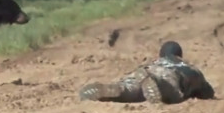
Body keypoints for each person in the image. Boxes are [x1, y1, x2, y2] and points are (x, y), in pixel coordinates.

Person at [79, 41, 215, 104]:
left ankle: (118, 89)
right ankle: (156, 82)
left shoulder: (157, 61)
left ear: (162, 54)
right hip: (172, 76)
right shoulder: (191, 68)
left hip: (148, 71)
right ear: (180, 55)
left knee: (130, 89)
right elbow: (207, 93)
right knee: (166, 87)